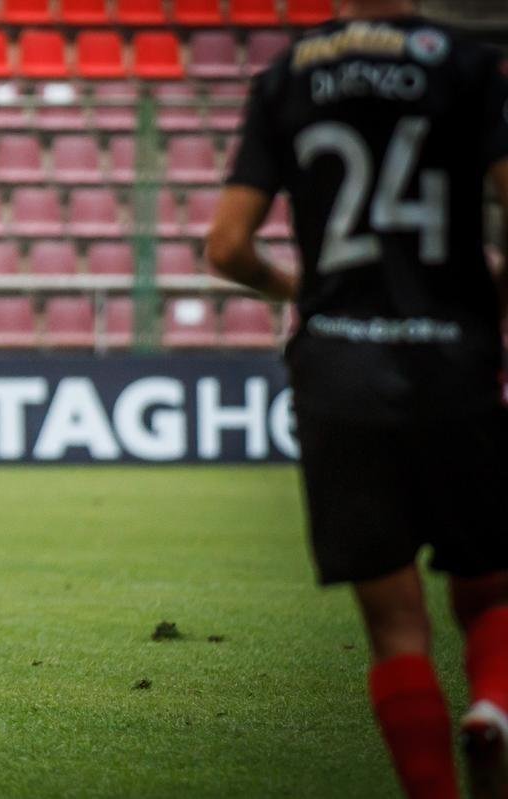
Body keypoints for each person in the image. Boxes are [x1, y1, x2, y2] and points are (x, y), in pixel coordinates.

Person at [206, 2, 508, 796]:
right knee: (489, 580)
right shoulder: (467, 64)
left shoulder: (289, 74)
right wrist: (485, 284)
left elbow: (228, 245)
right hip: (452, 353)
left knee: (394, 620)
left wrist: (296, 287)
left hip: (338, 359)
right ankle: (491, 700)